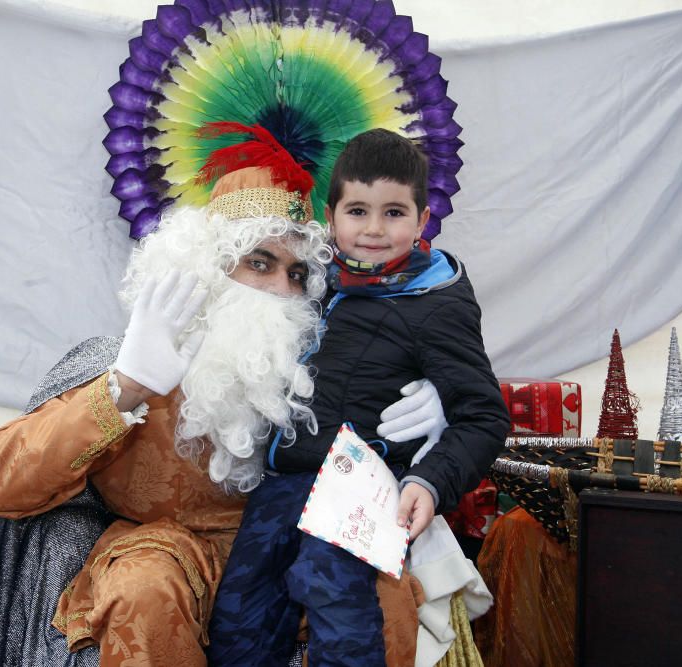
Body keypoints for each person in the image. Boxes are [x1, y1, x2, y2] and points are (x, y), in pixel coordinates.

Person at [0, 129, 439, 666]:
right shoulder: (123, 357)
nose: (283, 289)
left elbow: (376, 475)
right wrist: (125, 386)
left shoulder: (322, 369)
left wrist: (429, 420)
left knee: (384, 592)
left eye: (297, 273)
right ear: (207, 268)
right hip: (168, 548)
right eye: (259, 263)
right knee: (143, 590)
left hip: (287, 545)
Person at [207, 128, 511, 666]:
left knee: (331, 589)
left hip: (361, 481)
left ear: (422, 219)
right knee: (241, 609)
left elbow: (483, 415)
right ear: (331, 217)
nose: (373, 229)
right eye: (358, 211)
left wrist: (429, 478)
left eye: (394, 212)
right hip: (286, 481)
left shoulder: (436, 302)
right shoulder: (316, 281)